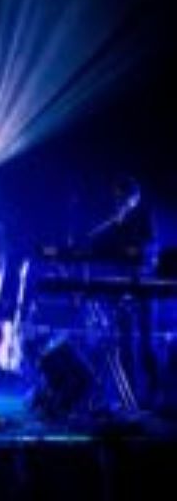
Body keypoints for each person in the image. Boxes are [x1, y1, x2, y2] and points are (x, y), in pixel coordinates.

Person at [88, 174, 160, 409]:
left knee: (146, 342)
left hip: (143, 285)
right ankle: (128, 397)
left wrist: (134, 251)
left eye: (122, 197)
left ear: (134, 197)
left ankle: (153, 395)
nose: (118, 201)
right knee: (124, 341)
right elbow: (104, 247)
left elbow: (151, 248)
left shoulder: (145, 216)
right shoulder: (117, 221)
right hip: (122, 285)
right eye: (117, 198)